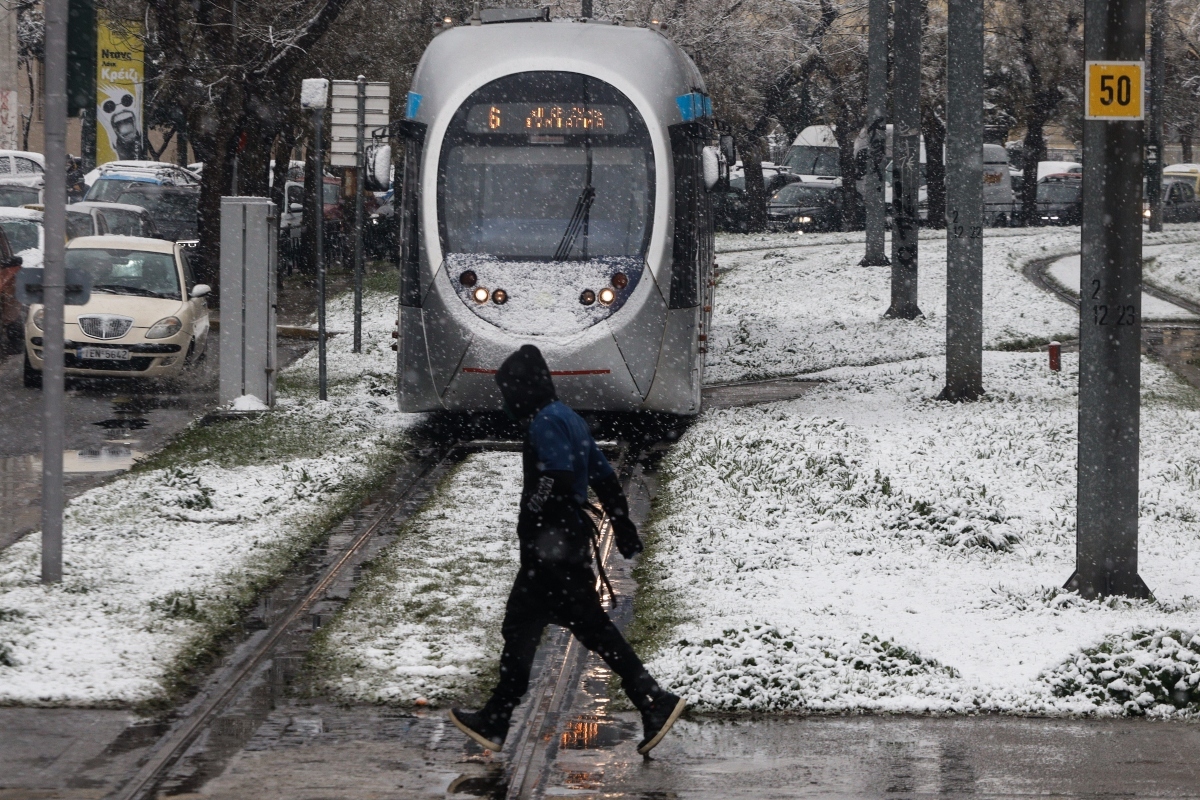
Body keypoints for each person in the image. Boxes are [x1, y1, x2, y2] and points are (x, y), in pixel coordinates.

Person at [450, 345, 686, 756]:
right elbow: (605, 475)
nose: (509, 401)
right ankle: (497, 717)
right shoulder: (569, 418)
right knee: (531, 628)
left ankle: (653, 699)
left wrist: (534, 512)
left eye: (510, 391)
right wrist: (622, 522)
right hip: (563, 545)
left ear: (526, 388)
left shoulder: (544, 423)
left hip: (551, 550)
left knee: (557, 628)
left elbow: (557, 475)